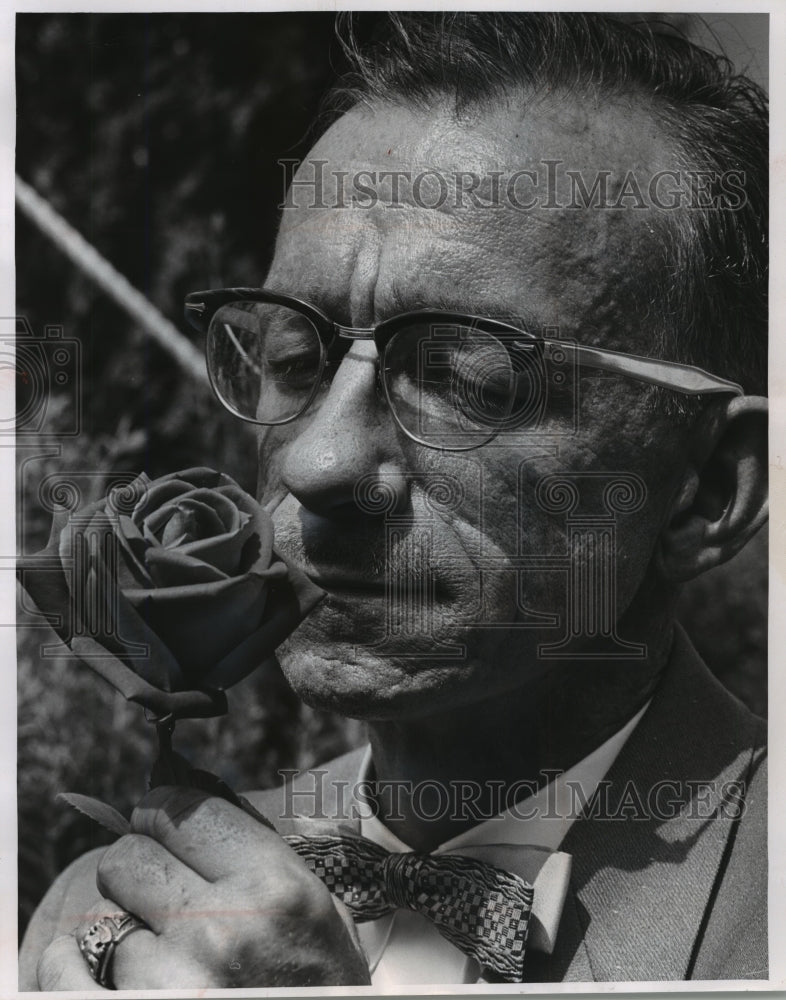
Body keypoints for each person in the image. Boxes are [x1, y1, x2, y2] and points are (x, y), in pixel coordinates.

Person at [20, 12, 768, 989]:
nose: (318, 463)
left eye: (461, 374)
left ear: (704, 491)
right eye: (294, 356)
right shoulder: (135, 911)